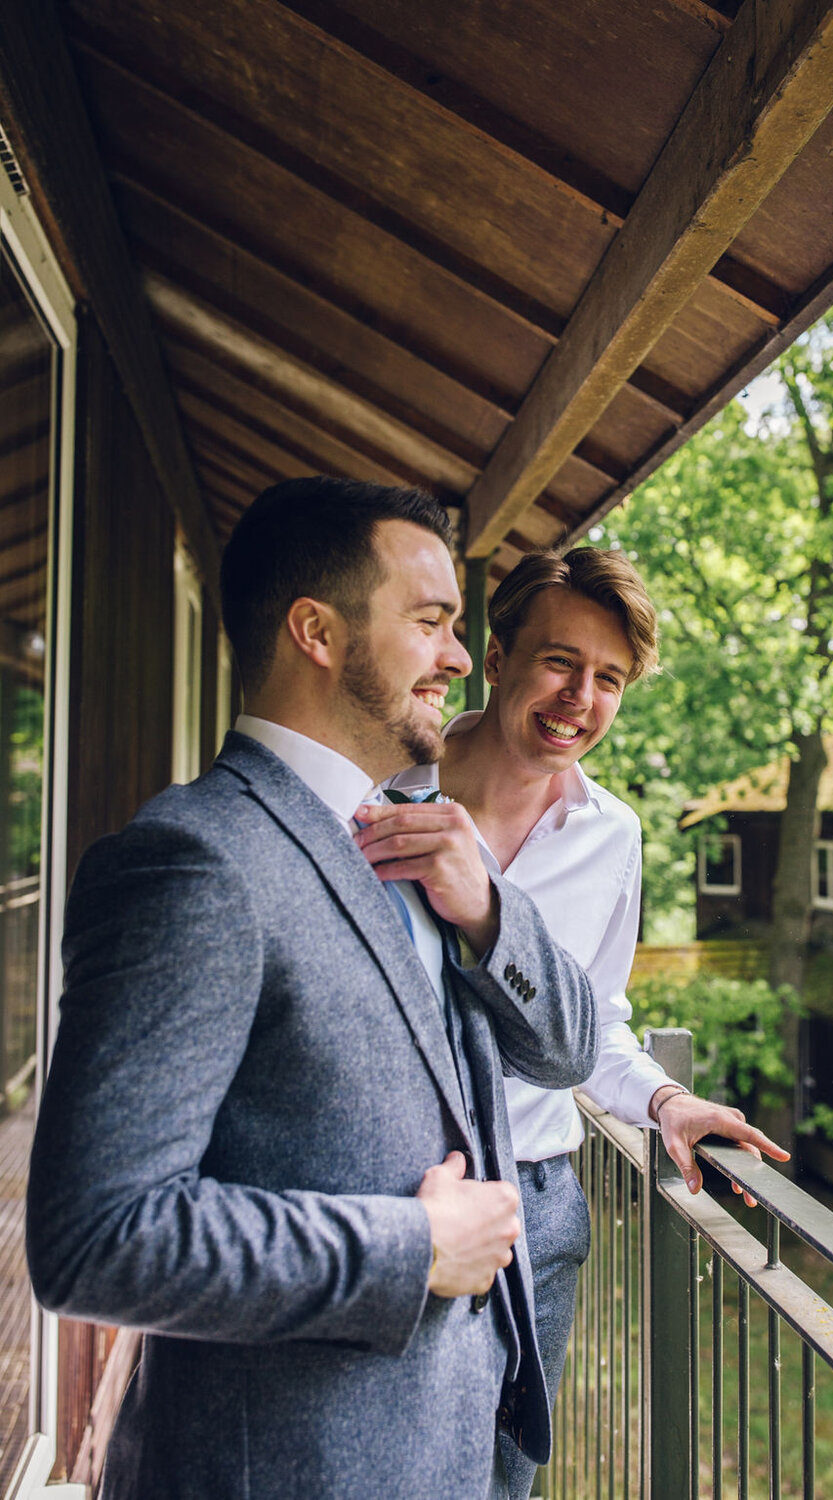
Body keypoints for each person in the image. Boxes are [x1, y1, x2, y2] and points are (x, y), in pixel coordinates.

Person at [26, 479, 599, 1500]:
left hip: (446, 1445)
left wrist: (489, 911)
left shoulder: (416, 840)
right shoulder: (192, 864)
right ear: (316, 633)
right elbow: (97, 1242)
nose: (462, 661)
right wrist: (411, 1249)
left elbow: (566, 1054)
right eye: (431, 624)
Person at [374, 546, 789, 1498]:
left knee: (499, 1480)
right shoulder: (387, 791)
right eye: (561, 662)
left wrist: (666, 1102)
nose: (579, 700)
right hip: (399, 1193)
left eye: (608, 680)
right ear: (498, 649)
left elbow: (594, 1021)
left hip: (538, 1208)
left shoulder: (615, 835)